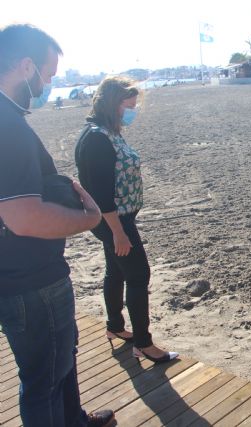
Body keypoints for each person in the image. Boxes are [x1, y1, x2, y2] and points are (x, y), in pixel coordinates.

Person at [0, 24, 115, 427]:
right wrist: (88, 219)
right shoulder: (8, 128)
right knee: (43, 380)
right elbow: (23, 216)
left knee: (61, 360)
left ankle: (76, 420)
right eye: (47, 74)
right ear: (25, 65)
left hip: (21, 276)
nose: (49, 83)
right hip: (31, 282)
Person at [75, 76, 178, 364]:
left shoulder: (105, 131)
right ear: (111, 104)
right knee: (138, 275)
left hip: (115, 220)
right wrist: (118, 233)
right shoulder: (96, 138)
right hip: (114, 221)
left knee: (116, 270)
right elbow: (102, 193)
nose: (132, 111)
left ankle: (115, 326)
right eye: (128, 106)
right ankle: (143, 344)